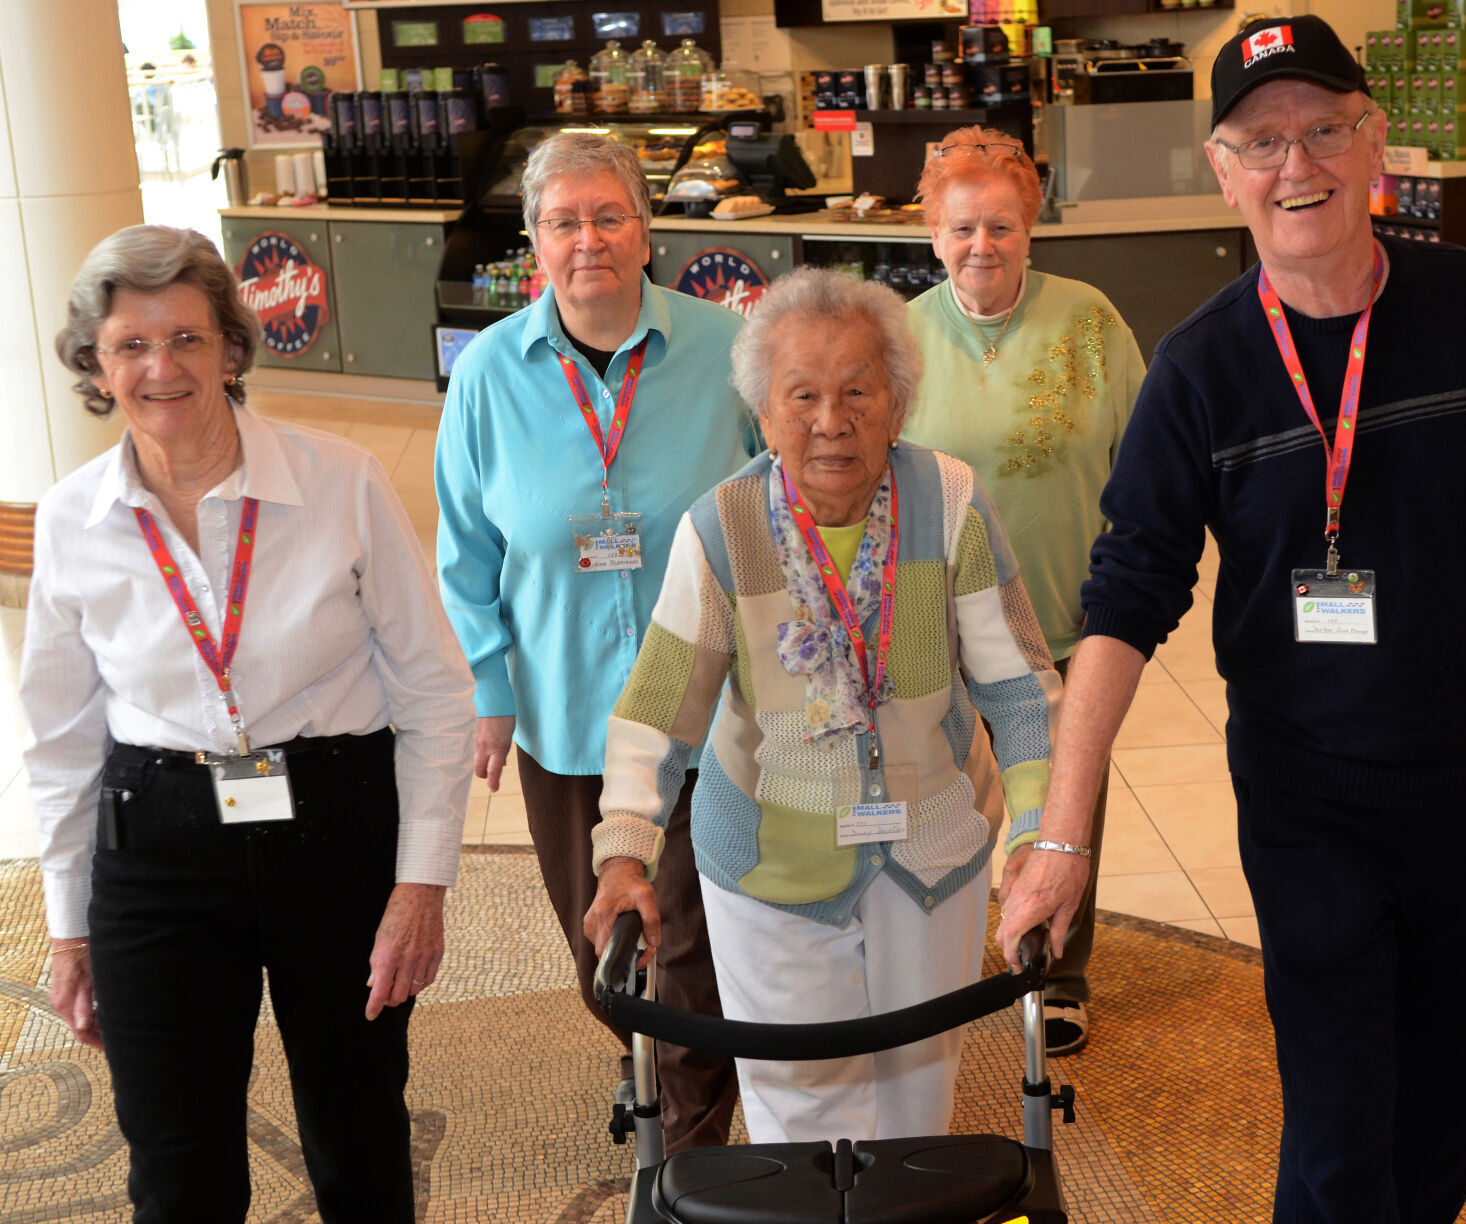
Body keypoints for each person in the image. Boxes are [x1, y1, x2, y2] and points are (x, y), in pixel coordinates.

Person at [997, 16, 1466, 1223]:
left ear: (1373, 139)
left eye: (1322, 131)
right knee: (1341, 1126)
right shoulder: (1199, 369)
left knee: (1449, 1109)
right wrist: (1060, 838)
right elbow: (1126, 597)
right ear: (1220, 169)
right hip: (1310, 804)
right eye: (1261, 142)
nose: (1297, 165)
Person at [23, 224, 476, 1222]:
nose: (160, 367)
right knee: (176, 1168)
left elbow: (436, 691)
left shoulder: (340, 482)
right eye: (131, 345)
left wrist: (420, 885)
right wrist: (68, 929)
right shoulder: (72, 519)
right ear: (95, 366)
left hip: (334, 826)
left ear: (233, 349)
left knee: (358, 1137)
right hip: (160, 844)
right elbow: (58, 743)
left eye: (185, 338)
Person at [582, 267, 1065, 1145]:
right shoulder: (721, 528)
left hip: (931, 846)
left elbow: (1021, 694)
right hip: (771, 863)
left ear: (898, 401)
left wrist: (1036, 835)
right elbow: (658, 708)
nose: (831, 421)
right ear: (762, 412)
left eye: (858, 392)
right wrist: (623, 854)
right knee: (800, 1117)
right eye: (801, 395)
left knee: (918, 1104)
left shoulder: (948, 501)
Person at [434, 132, 748, 1152]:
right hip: (566, 714)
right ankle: (640, 1053)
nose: (587, 241)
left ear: (646, 230)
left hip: (709, 713)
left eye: (608, 216)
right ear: (533, 241)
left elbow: (778, 510)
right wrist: (490, 688)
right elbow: (466, 546)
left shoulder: (726, 350)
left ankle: (691, 1155)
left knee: (688, 951)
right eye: (562, 222)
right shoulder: (488, 372)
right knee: (600, 951)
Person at [902, 125, 1146, 1056]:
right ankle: (944, 950)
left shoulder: (1090, 320)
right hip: (937, 625)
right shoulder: (904, 337)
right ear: (933, 234)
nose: (981, 247)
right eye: (962, 228)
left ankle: (1058, 968)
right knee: (946, 799)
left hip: (1068, 622)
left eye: (1001, 226)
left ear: (1031, 230)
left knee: (1066, 797)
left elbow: (1141, 459)